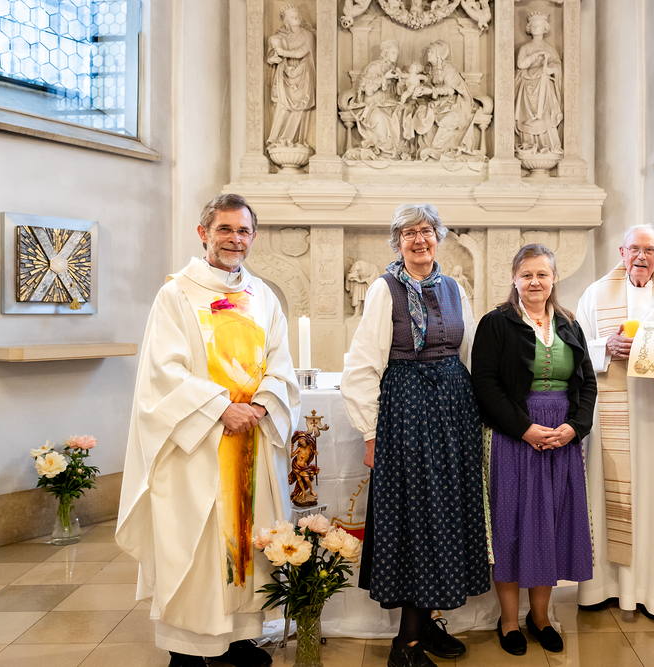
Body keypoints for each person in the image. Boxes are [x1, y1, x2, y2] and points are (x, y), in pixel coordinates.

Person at [116, 194, 301, 667]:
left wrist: (259, 405)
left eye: (243, 231)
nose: (235, 239)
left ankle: (237, 639)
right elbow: (163, 372)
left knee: (246, 541)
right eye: (225, 229)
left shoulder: (263, 297)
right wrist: (221, 408)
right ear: (204, 234)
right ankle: (185, 650)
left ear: (254, 237)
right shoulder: (176, 294)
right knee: (195, 543)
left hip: (250, 439)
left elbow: (280, 363)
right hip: (197, 445)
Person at [341, 204, 490, 667]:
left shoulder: (454, 288)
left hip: (453, 413)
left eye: (426, 231)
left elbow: (468, 352)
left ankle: (426, 624)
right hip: (407, 412)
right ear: (398, 242)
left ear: (438, 237)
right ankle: (404, 645)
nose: (419, 239)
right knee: (416, 519)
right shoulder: (384, 289)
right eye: (409, 233)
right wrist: (371, 434)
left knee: (445, 515)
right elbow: (362, 365)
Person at [471, 244, 597, 656]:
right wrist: (524, 429)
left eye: (542, 274)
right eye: (527, 274)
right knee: (509, 524)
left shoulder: (569, 323)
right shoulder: (496, 323)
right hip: (512, 436)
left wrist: (574, 427)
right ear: (514, 278)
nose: (535, 282)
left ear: (554, 278)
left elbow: (587, 383)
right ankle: (509, 620)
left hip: (560, 437)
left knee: (550, 524)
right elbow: (484, 384)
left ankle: (540, 617)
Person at [575, 224, 654, 618]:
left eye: (650, 250)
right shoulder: (595, 295)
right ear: (622, 253)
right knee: (608, 499)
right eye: (635, 249)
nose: (641, 257)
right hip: (609, 418)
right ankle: (603, 588)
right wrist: (605, 346)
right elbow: (575, 350)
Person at [266, 5, 316, 150]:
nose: (297, 18)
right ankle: (276, 139)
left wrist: (283, 52)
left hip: (302, 74)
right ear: (286, 21)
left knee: (299, 108)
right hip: (284, 75)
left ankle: (292, 139)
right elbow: (271, 56)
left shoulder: (308, 35)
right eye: (293, 17)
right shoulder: (279, 37)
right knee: (282, 105)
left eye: (298, 16)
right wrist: (273, 57)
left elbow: (302, 52)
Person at [514, 12, 563, 154]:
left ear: (545, 28)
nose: (536, 28)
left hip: (544, 84)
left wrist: (550, 69)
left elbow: (557, 64)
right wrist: (536, 55)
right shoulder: (525, 48)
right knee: (527, 116)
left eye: (539, 25)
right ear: (529, 28)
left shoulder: (550, 48)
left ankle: (547, 144)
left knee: (545, 111)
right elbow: (521, 64)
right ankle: (529, 143)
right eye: (533, 25)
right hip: (527, 84)